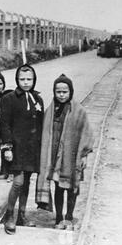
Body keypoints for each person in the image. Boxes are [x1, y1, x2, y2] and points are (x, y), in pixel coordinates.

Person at [36, 74, 94, 231]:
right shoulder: (50, 110)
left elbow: (86, 133)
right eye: (58, 91)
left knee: (71, 188)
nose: (61, 95)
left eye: (65, 92)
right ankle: (59, 217)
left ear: (71, 92)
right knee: (59, 188)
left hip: (71, 157)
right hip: (55, 157)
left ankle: (69, 216)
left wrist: (84, 156)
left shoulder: (79, 111)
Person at [0, 64, 44, 235]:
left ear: (34, 80)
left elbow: (39, 124)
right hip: (16, 148)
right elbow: (4, 124)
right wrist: (7, 146)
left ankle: (22, 216)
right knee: (18, 182)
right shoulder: (9, 98)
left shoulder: (37, 99)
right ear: (17, 80)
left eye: (29, 79)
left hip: (32, 148)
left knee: (26, 183)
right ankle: (9, 215)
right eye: (22, 79)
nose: (26, 82)